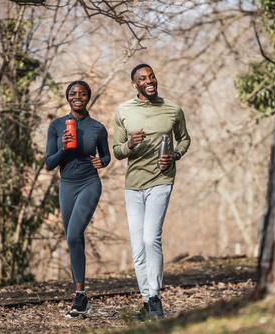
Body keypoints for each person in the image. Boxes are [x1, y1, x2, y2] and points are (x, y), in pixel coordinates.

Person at [113, 64, 191, 319]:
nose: (149, 81)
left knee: (150, 239)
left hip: (161, 179)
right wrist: (130, 144)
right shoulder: (123, 111)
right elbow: (116, 150)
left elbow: (185, 139)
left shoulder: (172, 110)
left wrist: (176, 154)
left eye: (151, 76)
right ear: (134, 84)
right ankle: (148, 302)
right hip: (133, 185)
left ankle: (155, 297)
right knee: (137, 247)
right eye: (142, 79)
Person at [45, 81, 110, 318]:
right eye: (73, 94)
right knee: (74, 239)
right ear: (68, 97)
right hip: (66, 186)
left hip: (89, 184)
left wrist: (101, 162)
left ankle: (80, 298)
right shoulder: (56, 125)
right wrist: (62, 147)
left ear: (88, 98)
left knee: (73, 234)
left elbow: (106, 155)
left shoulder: (97, 127)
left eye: (82, 94)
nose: (78, 97)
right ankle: (81, 297)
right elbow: (49, 164)